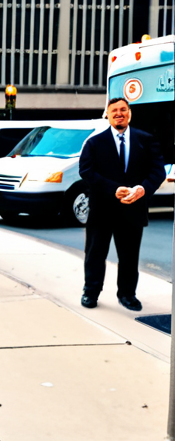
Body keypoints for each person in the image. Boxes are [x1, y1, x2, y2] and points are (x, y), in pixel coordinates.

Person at [78, 98, 165, 311]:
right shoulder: (94, 143)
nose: (119, 113)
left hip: (133, 210)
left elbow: (158, 171)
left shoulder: (146, 140)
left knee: (129, 257)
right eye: (114, 110)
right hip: (102, 211)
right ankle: (91, 292)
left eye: (123, 110)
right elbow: (86, 172)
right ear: (107, 114)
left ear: (130, 113)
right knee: (95, 255)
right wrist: (112, 189)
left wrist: (142, 189)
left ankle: (127, 295)